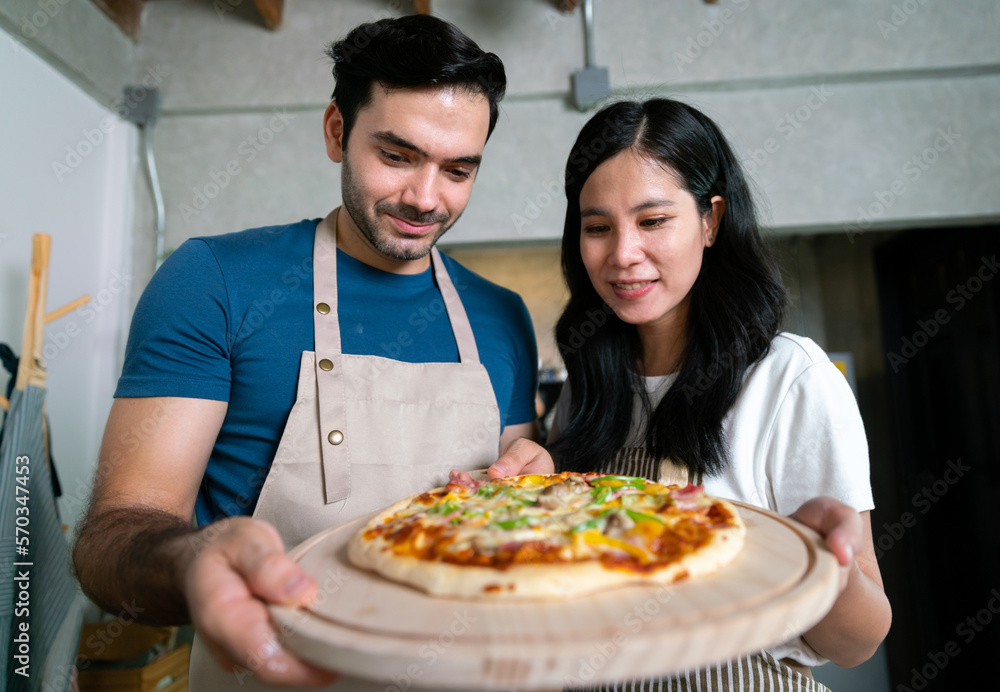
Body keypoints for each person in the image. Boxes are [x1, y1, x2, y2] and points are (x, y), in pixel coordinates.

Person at [72, 16, 548, 690]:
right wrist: (191, 559)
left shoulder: (502, 316)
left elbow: (509, 516)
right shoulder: (215, 281)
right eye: (397, 154)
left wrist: (539, 491)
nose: (425, 197)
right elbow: (109, 539)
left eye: (458, 169)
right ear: (336, 132)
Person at [497, 98, 892, 690]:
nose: (623, 254)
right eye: (598, 227)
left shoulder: (790, 378)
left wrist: (818, 560)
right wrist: (536, 491)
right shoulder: (591, 389)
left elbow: (859, 644)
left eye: (653, 221)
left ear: (710, 220)